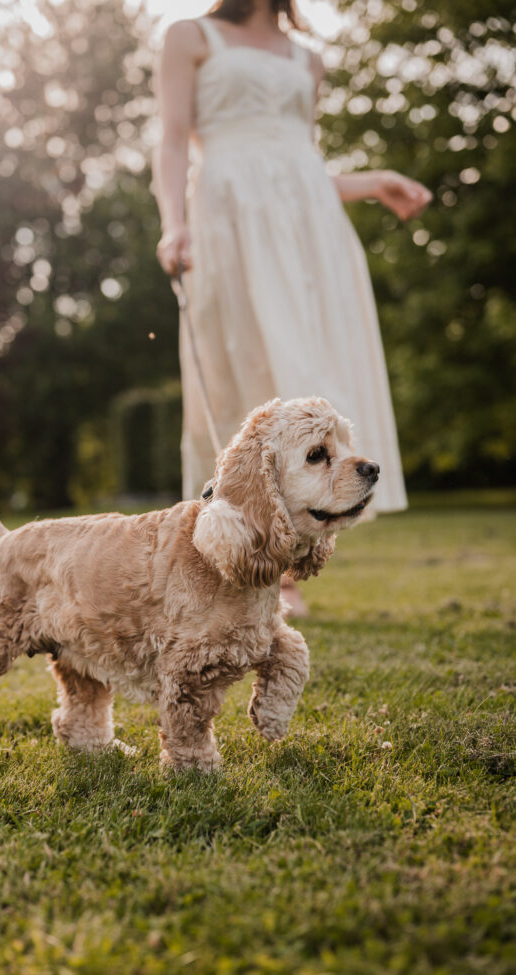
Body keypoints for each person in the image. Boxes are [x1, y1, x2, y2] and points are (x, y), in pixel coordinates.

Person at [153, 0, 431, 614]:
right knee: (243, 375)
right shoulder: (190, 36)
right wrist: (173, 224)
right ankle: (236, 554)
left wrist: (373, 181)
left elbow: (300, 167)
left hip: (311, 235)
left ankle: (289, 562)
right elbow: (174, 143)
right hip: (227, 221)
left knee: (310, 382)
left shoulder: (309, 59)